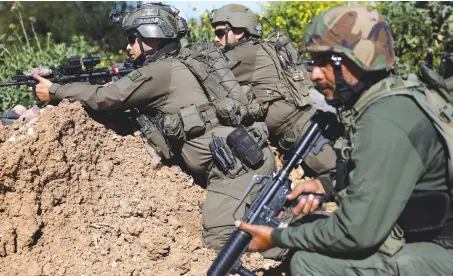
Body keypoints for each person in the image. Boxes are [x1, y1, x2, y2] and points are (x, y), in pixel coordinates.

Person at [236, 6, 453, 275]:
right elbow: (386, 178)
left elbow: (357, 232)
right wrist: (327, 186)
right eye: (313, 62)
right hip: (436, 240)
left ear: (361, 60)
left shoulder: (385, 119)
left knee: (311, 264)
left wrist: (276, 237)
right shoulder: (390, 101)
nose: (314, 73)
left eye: (326, 61)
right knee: (308, 228)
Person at [27, 3, 276, 250]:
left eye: (133, 38)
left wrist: (55, 90)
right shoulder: (180, 62)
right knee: (265, 232)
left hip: (235, 167)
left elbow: (106, 98)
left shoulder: (160, 70)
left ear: (152, 38)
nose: (127, 46)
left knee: (221, 243)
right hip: (244, 155)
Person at [210, 4, 336, 176]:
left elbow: (207, 73)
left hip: (303, 133)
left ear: (239, 32)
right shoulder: (257, 48)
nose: (216, 39)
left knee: (338, 179)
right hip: (302, 128)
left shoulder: (244, 54)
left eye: (219, 33)